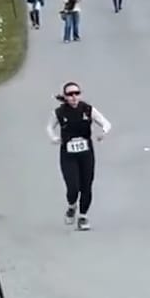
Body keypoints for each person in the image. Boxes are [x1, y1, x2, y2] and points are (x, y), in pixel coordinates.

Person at [46, 81, 111, 230]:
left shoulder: (87, 110)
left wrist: (103, 133)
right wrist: (54, 138)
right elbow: (49, 127)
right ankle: (72, 205)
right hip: (68, 154)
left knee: (86, 186)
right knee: (73, 187)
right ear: (65, 97)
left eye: (77, 93)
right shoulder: (59, 113)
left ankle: (83, 216)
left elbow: (105, 123)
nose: (74, 97)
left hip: (86, 153)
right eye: (70, 94)